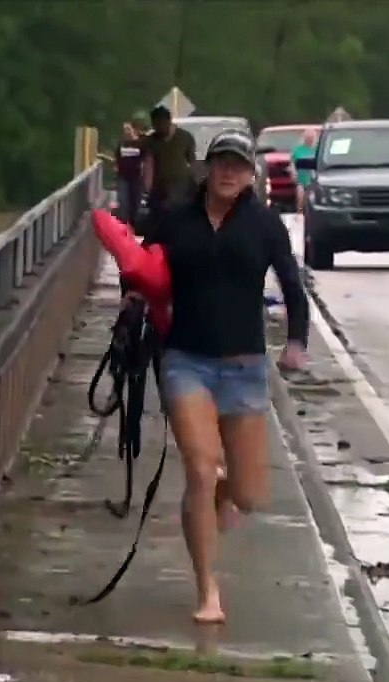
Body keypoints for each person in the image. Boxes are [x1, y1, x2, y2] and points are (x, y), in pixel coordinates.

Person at [130, 130, 309, 624]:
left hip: (245, 367)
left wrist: (297, 342)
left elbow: (293, 286)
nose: (228, 172)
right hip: (186, 359)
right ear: (206, 168)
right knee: (200, 470)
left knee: (247, 496)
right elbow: (142, 268)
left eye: (238, 164)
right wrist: (134, 299)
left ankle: (225, 491)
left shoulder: (264, 225)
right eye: (221, 163)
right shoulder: (175, 220)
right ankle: (207, 591)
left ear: (250, 173)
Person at [140, 105, 197, 235]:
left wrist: (195, 183)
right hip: (159, 191)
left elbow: (192, 162)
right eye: (155, 125)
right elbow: (148, 164)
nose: (158, 128)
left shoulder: (185, 137)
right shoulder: (151, 141)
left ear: (169, 121)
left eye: (160, 124)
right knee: (158, 227)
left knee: (180, 224)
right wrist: (147, 189)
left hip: (181, 189)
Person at [114, 121, 145, 224]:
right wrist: (116, 166)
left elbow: (146, 159)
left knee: (135, 202)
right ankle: (124, 224)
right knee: (123, 202)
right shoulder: (121, 144)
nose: (126, 132)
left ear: (133, 130)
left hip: (136, 177)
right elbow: (117, 158)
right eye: (124, 130)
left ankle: (134, 224)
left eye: (128, 129)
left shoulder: (140, 143)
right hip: (123, 177)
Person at [289, 127, 318, 213]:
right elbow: (292, 162)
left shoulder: (317, 149)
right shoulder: (298, 149)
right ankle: (300, 212)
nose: (309, 139)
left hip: (314, 179)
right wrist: (293, 172)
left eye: (311, 137)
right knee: (300, 195)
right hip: (301, 179)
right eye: (308, 137)